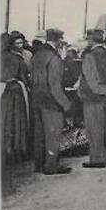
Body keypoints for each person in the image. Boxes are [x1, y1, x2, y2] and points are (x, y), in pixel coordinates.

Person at [31, 28, 72, 175]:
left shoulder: (37, 55)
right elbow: (55, 86)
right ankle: (51, 166)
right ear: (58, 40)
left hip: (36, 99)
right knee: (52, 134)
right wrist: (66, 104)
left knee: (39, 135)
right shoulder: (54, 58)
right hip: (51, 102)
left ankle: (39, 165)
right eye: (61, 39)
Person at [79, 29, 106, 169]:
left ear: (91, 40)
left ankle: (97, 159)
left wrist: (100, 91)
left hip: (93, 98)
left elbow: (91, 81)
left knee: (94, 129)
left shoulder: (89, 56)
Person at [0, 32, 31, 164]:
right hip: (17, 92)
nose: (20, 45)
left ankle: (6, 150)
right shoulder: (18, 58)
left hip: (4, 92)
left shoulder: (0, 56)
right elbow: (24, 76)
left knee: (6, 121)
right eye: (17, 43)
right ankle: (18, 150)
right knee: (18, 122)